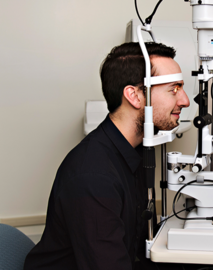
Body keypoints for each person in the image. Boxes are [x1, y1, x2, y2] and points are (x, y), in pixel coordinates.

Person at [24, 42, 190, 270]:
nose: (185, 100)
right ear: (135, 96)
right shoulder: (94, 177)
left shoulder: (134, 152)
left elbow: (135, 247)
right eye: (174, 89)